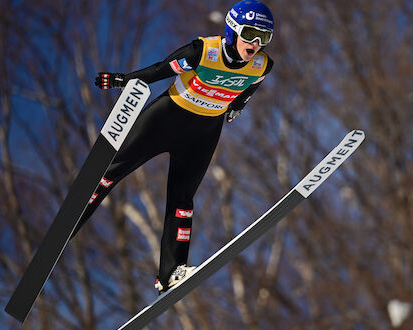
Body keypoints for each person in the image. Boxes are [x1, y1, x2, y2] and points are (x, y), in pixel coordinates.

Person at [71, 0, 275, 292]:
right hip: (167, 118)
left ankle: (171, 272)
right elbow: (159, 70)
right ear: (232, 30)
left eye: (263, 38)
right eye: (249, 34)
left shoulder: (262, 65)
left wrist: (237, 105)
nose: (255, 43)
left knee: (183, 200)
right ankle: (70, 223)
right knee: (112, 171)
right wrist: (122, 80)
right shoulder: (204, 51)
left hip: (204, 133)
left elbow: (252, 85)